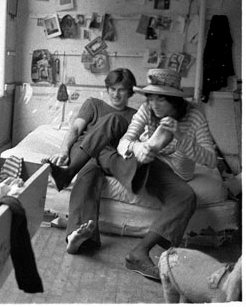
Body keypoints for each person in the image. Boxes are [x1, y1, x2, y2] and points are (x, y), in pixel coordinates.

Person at [117, 68, 216, 280]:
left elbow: (211, 159)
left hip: (179, 171)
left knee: (186, 196)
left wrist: (180, 136)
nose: (154, 105)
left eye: (160, 100)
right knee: (145, 153)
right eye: (150, 98)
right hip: (151, 164)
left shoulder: (194, 114)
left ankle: (146, 253)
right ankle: (140, 253)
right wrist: (136, 148)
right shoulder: (146, 110)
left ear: (175, 101)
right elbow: (124, 142)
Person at [43, 68, 139, 255]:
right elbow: (76, 129)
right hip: (86, 154)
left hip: (111, 156)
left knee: (112, 122)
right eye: (112, 89)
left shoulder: (135, 116)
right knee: (88, 175)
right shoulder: (93, 104)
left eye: (121, 89)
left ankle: (67, 173)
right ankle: (79, 238)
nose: (115, 94)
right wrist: (63, 150)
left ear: (130, 92)